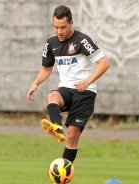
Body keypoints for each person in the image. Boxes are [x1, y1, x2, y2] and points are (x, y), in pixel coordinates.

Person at [27, 5, 110, 164]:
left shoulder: (82, 40)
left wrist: (88, 81)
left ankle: (64, 172)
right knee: (52, 96)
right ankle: (57, 128)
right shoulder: (51, 43)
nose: (59, 31)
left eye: (63, 27)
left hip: (85, 92)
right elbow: (46, 68)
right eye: (56, 27)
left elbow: (104, 63)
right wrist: (35, 83)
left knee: (72, 136)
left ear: (71, 23)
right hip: (66, 89)